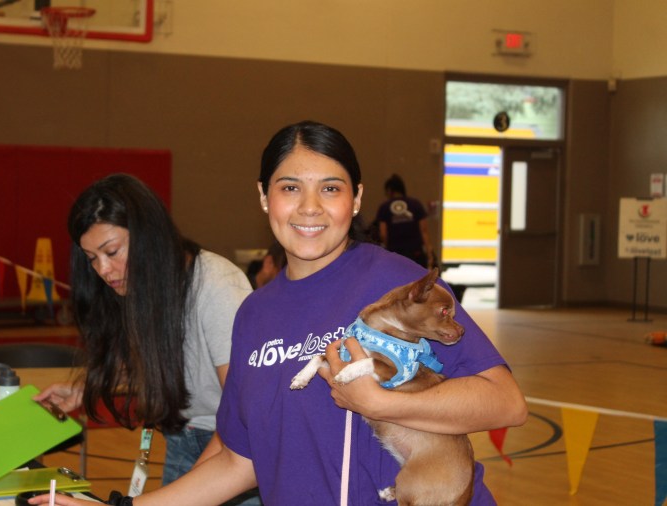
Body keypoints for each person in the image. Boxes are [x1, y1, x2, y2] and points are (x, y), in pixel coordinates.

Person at [31, 121, 527, 506]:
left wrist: (380, 403)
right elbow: (235, 460)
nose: (309, 207)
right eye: (290, 188)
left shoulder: (397, 285)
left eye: (330, 188)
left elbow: (505, 403)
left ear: (356, 199)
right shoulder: (254, 314)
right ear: (264, 197)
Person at [32, 173, 260, 504]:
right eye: (92, 258)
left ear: (148, 235)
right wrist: (88, 387)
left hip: (231, 447)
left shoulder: (218, 286)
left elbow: (242, 411)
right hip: (184, 437)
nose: (104, 270)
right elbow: (171, 363)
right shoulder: (139, 286)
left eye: (112, 251)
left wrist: (194, 485)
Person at [375, 173, 434, 269]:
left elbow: (383, 234)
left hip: (395, 255)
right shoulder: (416, 204)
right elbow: (424, 231)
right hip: (416, 254)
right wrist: (429, 253)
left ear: (389, 190)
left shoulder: (384, 207)